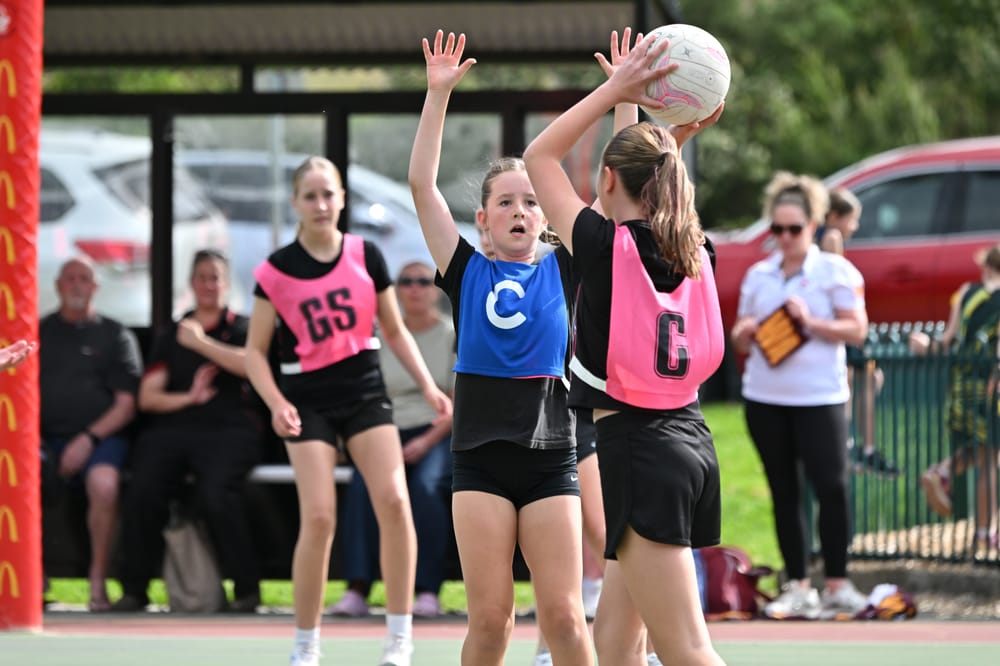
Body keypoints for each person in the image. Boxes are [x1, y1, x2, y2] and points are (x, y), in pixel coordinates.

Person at [524, 27, 726, 666]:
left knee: (687, 650)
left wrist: (618, 89)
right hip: (685, 443)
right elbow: (659, 181)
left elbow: (539, 158)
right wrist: (662, 127)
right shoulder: (694, 249)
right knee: (615, 647)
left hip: (639, 448)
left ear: (607, 180)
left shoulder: (603, 249)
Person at [409, 30, 592, 666]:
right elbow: (421, 186)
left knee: (566, 617)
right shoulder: (465, 272)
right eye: (506, 202)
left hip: (549, 457)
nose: (521, 210)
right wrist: (438, 96)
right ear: (483, 219)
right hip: (481, 461)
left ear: (547, 217)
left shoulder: (564, 268)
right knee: (491, 621)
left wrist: (618, 98)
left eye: (532, 202)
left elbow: (617, 203)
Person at [245, 155, 451, 666]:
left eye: (328, 194)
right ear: (295, 202)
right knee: (318, 517)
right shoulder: (275, 271)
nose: (320, 204)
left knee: (395, 502)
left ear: (342, 199)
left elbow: (395, 330)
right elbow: (254, 351)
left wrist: (429, 388)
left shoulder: (366, 254)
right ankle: (305, 644)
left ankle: (399, 637)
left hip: (363, 392)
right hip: (306, 400)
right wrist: (276, 404)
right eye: (310, 195)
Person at [727, 171, 870, 620]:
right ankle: (797, 583)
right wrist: (745, 333)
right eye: (777, 229)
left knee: (831, 486)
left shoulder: (835, 271)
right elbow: (738, 337)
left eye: (794, 229)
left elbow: (857, 330)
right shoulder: (759, 274)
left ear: (814, 226)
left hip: (820, 397)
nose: (785, 238)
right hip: (766, 398)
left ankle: (838, 583)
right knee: (783, 490)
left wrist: (811, 322)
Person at [110, 249, 263, 613]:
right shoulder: (171, 333)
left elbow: (251, 367)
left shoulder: (243, 327)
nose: (209, 285)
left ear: (226, 284)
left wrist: (201, 344)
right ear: (192, 283)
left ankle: (246, 591)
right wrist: (189, 398)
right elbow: (148, 398)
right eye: (203, 277)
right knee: (143, 489)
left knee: (217, 494)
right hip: (174, 431)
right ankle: (135, 589)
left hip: (230, 432)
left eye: (216, 278)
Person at [329, 260, 456, 619]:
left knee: (427, 488)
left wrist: (425, 442)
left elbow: (457, 404)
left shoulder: (451, 334)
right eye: (406, 281)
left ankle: (428, 590)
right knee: (361, 486)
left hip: (434, 432)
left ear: (435, 288)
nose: (414, 288)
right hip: (382, 429)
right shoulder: (381, 335)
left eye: (422, 281)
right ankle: (357, 588)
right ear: (396, 289)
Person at [39, 257, 143, 612]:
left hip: (100, 440)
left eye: (84, 279)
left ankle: (97, 580)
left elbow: (126, 404)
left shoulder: (114, 334)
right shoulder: (39, 333)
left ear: (95, 287)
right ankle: (31, 578)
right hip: (42, 441)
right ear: (57, 286)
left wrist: (87, 439)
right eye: (70, 279)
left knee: (104, 485)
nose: (77, 286)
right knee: (14, 477)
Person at [911, 243, 1000, 550]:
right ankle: (985, 534)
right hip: (991, 385)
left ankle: (943, 471)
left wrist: (924, 345)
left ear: (985, 267)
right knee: (989, 459)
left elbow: (948, 340)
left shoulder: (965, 293)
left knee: (983, 450)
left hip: (961, 384)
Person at [815, 189, 895, 475]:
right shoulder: (831, 237)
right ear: (834, 216)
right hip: (838, 320)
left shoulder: (818, 234)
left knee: (866, 376)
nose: (855, 226)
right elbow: (833, 281)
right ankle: (856, 446)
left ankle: (855, 444)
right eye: (852, 219)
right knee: (856, 378)